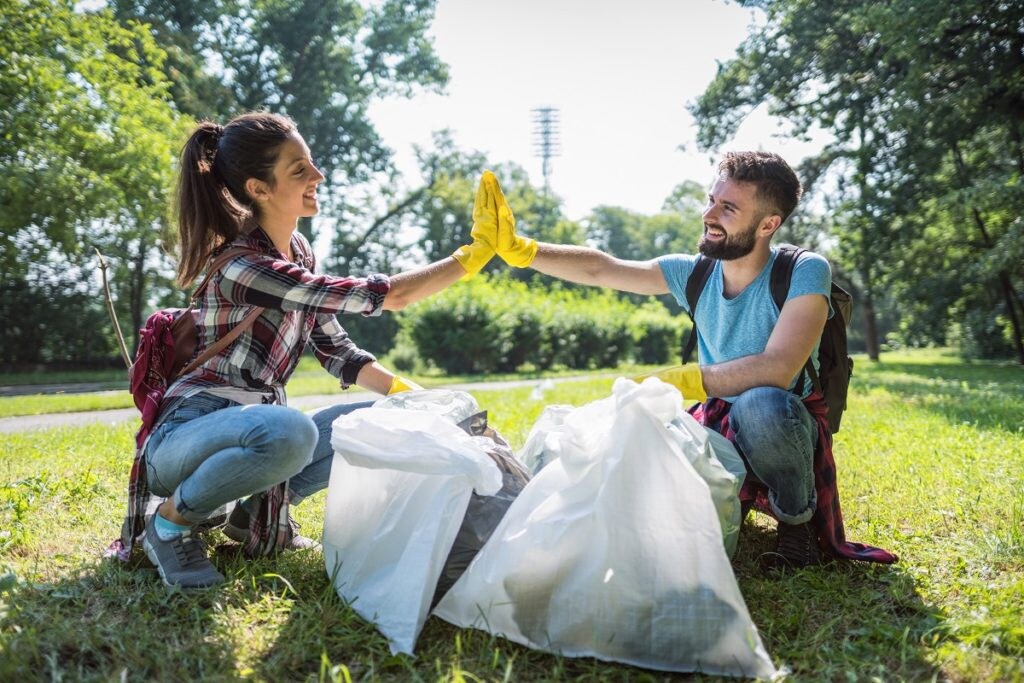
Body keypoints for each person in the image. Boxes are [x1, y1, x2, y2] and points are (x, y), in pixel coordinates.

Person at [114, 111, 503, 588]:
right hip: (186, 437)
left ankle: (252, 515)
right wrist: (471, 257)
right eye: (300, 170)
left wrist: (416, 399)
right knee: (290, 431)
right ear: (258, 188)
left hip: (255, 427)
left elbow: (337, 350)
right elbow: (388, 296)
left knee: (385, 418)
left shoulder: (297, 251)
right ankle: (169, 527)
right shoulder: (242, 267)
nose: (317, 176)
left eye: (312, 164)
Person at [483, 150, 896, 572]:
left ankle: (797, 524)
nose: (709, 214)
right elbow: (601, 270)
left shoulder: (804, 270)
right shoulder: (694, 273)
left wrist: (683, 380)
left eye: (728, 208)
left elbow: (778, 369)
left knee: (760, 404)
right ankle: (729, 503)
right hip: (714, 419)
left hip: (780, 421)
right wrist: (524, 251)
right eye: (712, 200)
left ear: (769, 224)